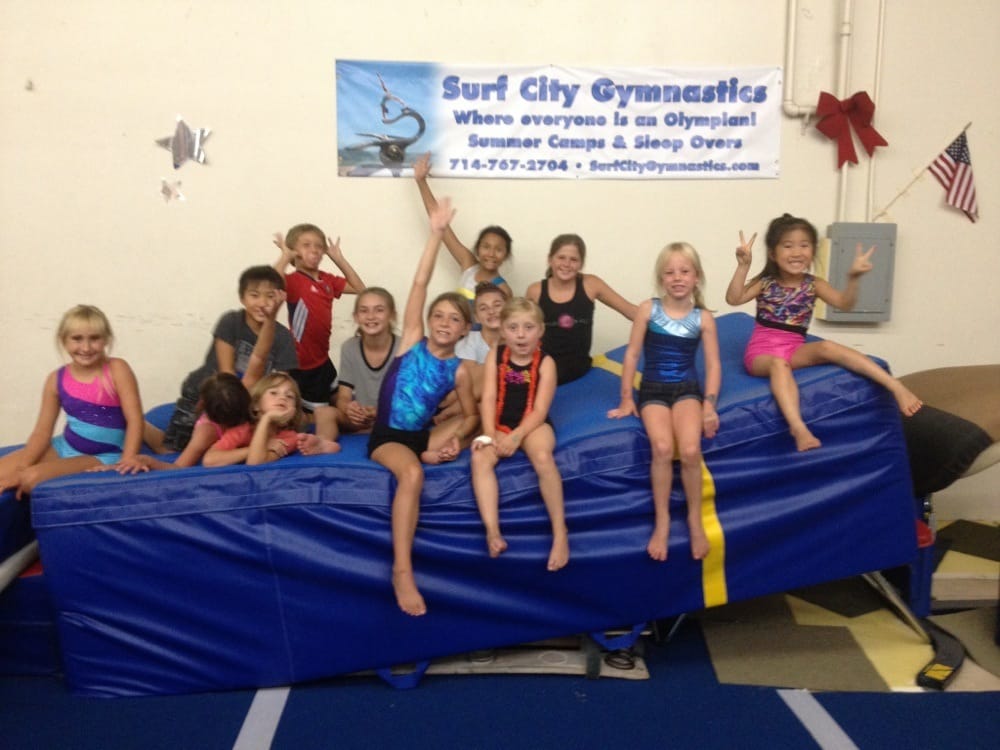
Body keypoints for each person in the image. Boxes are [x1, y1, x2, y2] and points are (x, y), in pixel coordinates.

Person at [725, 214, 922, 451]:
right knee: (779, 365)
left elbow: (844, 304)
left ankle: (895, 386)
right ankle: (798, 427)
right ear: (773, 254)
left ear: (813, 251)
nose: (796, 252)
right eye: (787, 246)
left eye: (804, 245)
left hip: (794, 349)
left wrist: (853, 278)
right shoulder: (766, 282)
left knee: (827, 347)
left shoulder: (814, 284)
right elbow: (734, 299)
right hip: (761, 354)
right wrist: (743, 266)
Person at [368, 197, 479, 617]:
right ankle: (402, 569)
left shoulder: (460, 370)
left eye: (454, 319)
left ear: (465, 330)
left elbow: (470, 415)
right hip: (388, 437)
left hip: (421, 436)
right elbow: (419, 283)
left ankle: (435, 453)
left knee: (473, 428)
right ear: (429, 321)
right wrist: (435, 234)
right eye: (440, 316)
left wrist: (456, 440)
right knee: (413, 473)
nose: (445, 323)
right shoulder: (412, 341)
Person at [608, 244, 721, 561]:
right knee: (661, 447)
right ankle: (662, 520)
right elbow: (632, 354)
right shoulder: (648, 310)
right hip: (654, 389)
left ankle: (694, 519)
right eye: (670, 272)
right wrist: (626, 398)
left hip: (687, 389)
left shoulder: (703, 318)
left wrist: (709, 405)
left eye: (684, 271)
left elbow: (713, 365)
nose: (677, 278)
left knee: (690, 449)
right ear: (661, 279)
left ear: (697, 277)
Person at [0, 305, 144, 499]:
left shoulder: (117, 369)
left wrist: (127, 459)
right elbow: (42, 432)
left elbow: (134, 419)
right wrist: (21, 467)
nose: (86, 348)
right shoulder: (56, 379)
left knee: (29, 480)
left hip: (103, 455)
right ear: (63, 340)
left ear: (106, 339)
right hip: (64, 446)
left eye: (94, 338)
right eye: (77, 339)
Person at [153, 265, 298, 453]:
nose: (262, 303)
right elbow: (227, 372)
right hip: (214, 392)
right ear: (242, 298)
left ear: (279, 299)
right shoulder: (231, 321)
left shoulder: (283, 336)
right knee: (174, 448)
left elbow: (280, 382)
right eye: (254, 295)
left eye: (270, 296)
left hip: (249, 398)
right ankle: (143, 427)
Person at [470, 297, 569, 571]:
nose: (521, 335)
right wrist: (489, 433)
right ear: (503, 331)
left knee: (543, 457)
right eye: (513, 328)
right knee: (479, 457)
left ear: (541, 330)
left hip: (532, 425)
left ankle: (560, 532)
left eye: (528, 327)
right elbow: (488, 398)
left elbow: (540, 409)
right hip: (499, 424)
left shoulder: (546, 363)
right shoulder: (496, 355)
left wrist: (517, 436)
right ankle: (493, 532)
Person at [273, 225, 365, 451]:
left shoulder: (326, 280)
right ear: (295, 251)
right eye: (306, 245)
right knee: (320, 414)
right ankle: (310, 433)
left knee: (346, 404)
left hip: (323, 361)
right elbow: (271, 285)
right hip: (304, 366)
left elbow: (360, 288)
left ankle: (347, 425)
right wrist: (285, 257)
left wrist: (338, 258)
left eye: (318, 246)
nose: (314, 250)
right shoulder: (293, 281)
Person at [526, 234, 637, 384]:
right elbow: (521, 330)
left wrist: (665, 317)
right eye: (561, 257)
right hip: (544, 376)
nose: (566, 264)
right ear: (550, 259)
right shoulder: (535, 291)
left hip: (581, 374)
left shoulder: (591, 284)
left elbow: (631, 311)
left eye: (573, 259)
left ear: (581, 264)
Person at [413, 152, 513, 302]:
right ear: (477, 249)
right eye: (486, 247)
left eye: (498, 249)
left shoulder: (504, 291)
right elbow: (440, 225)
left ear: (506, 255)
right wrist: (421, 182)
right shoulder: (468, 264)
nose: (491, 254)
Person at [109, 373, 252, 472]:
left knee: (164, 445)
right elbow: (179, 467)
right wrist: (151, 462)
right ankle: (136, 420)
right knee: (165, 449)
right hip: (194, 434)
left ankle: (137, 419)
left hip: (211, 420)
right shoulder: (206, 432)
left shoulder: (246, 415)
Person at [320, 287, 400, 440]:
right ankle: (323, 442)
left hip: (393, 417)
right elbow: (343, 396)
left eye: (379, 310)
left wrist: (381, 411)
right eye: (364, 311)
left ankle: (377, 432)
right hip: (362, 418)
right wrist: (349, 409)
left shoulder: (403, 349)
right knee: (323, 412)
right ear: (356, 317)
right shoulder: (350, 347)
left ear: (392, 315)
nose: (371, 316)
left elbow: (410, 398)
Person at [202, 372, 306, 466]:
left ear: (295, 410)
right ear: (256, 404)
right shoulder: (243, 430)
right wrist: (261, 446)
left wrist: (266, 418)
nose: (283, 398)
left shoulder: (290, 437)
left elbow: (255, 463)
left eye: (289, 396)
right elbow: (209, 460)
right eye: (274, 393)